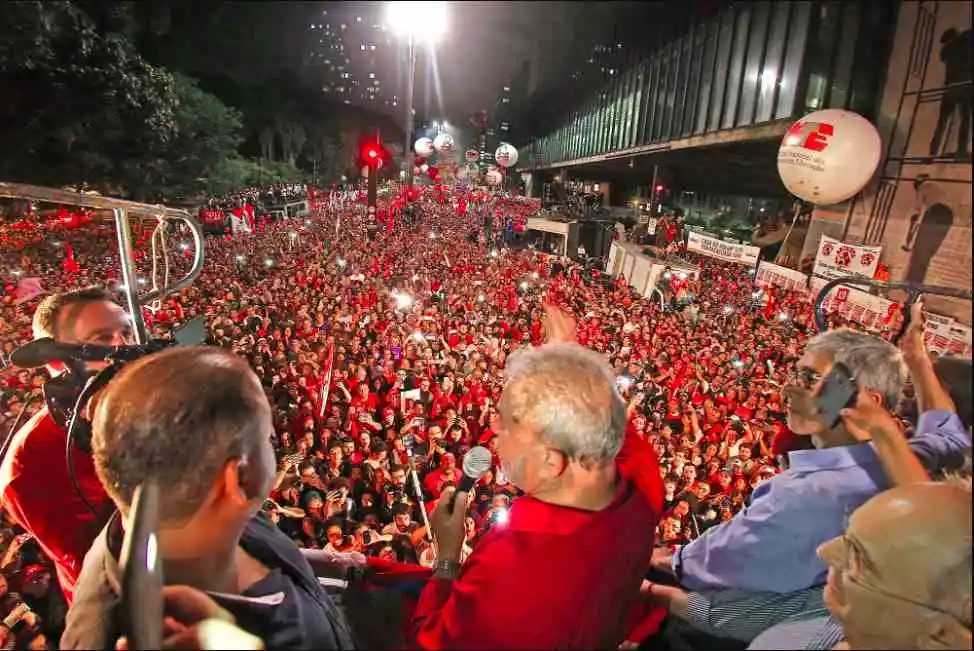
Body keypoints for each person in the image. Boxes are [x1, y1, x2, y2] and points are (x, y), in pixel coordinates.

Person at [648, 326, 971, 643]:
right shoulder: (914, 460)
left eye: (812, 380)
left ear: (866, 401)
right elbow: (945, 430)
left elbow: (717, 563)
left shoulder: (809, 495)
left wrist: (672, 561)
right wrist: (916, 359)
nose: (789, 390)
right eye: (796, 374)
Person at [61, 346, 356, 650]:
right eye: (267, 439)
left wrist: (332, 561)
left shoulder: (191, 504)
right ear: (238, 478)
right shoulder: (131, 636)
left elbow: (266, 551)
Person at [412, 306, 663, 649]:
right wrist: (569, 360)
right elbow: (613, 425)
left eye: (506, 424)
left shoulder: (513, 565)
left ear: (549, 460)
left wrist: (447, 557)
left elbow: (435, 642)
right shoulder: (641, 491)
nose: (494, 433)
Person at [0, 288, 131, 603]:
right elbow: (107, 569)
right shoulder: (31, 461)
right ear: (53, 355)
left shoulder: (135, 406)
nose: (123, 348)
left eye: (123, 334)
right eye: (103, 338)